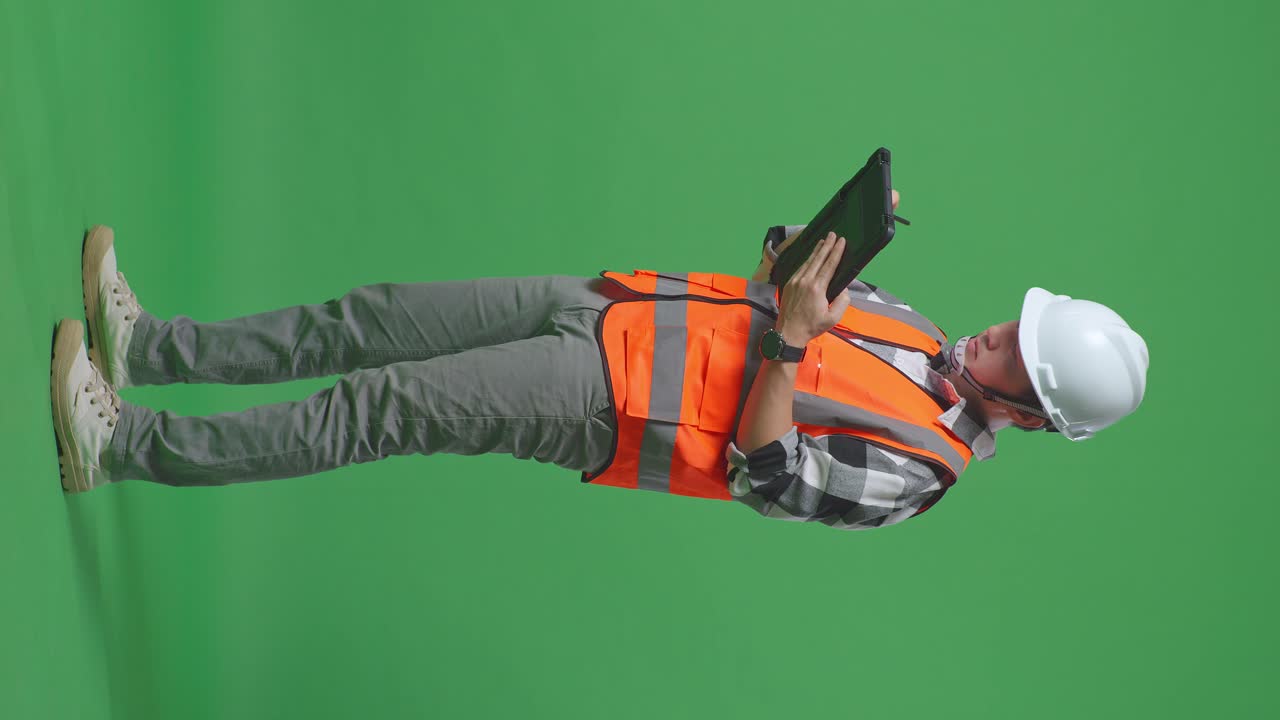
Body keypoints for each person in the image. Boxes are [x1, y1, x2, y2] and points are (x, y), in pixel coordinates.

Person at [50, 190, 1149, 532]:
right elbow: (782, 297)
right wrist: (815, 246)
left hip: (608, 402)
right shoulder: (916, 331)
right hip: (617, 308)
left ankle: (128, 444)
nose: (990, 333)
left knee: (374, 406)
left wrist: (791, 337)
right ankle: (150, 349)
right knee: (370, 318)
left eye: (1013, 350)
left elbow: (766, 477)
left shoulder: (919, 474)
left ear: (1035, 414)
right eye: (1010, 322)